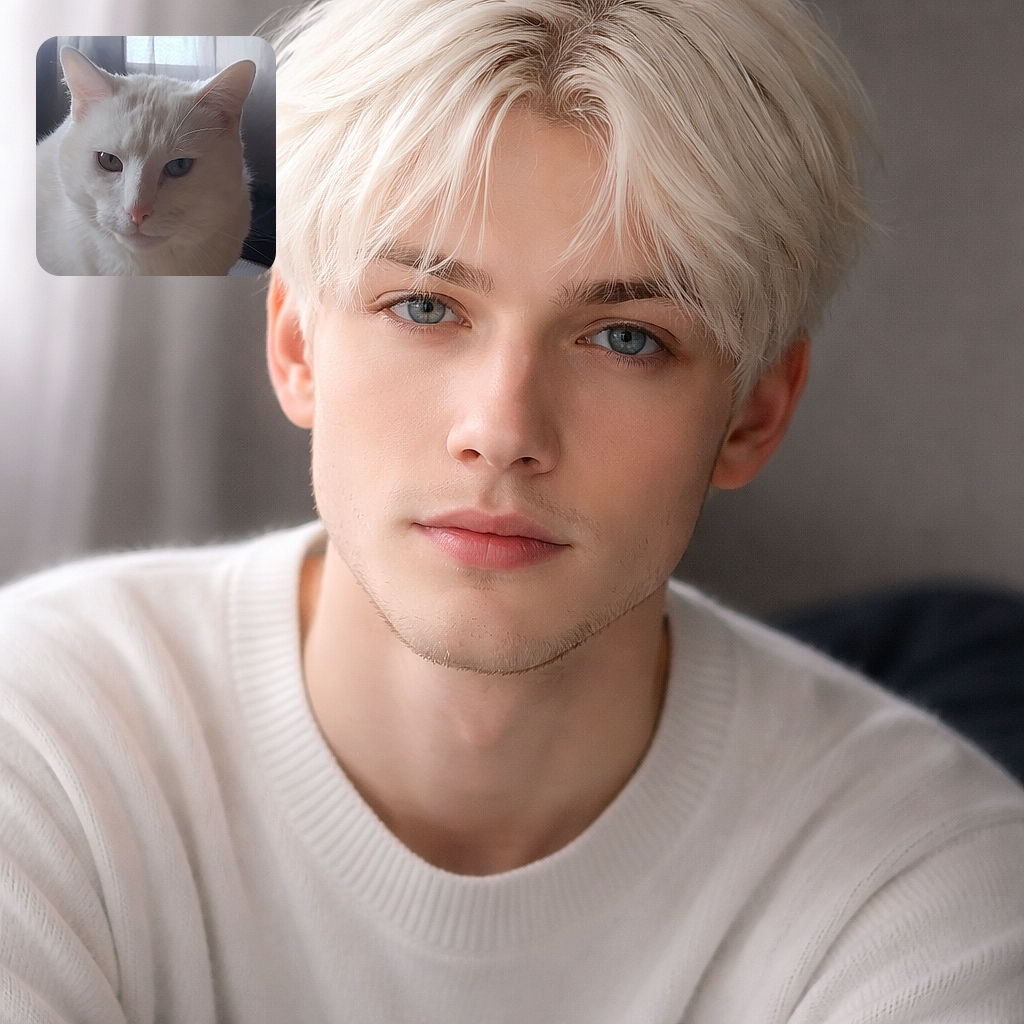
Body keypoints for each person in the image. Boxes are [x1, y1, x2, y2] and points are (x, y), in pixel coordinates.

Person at [3, 0, 1022, 1020]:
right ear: (297, 348)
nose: (501, 428)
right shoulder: (41, 731)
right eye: (426, 306)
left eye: (625, 336)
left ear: (754, 412)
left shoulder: (932, 878)